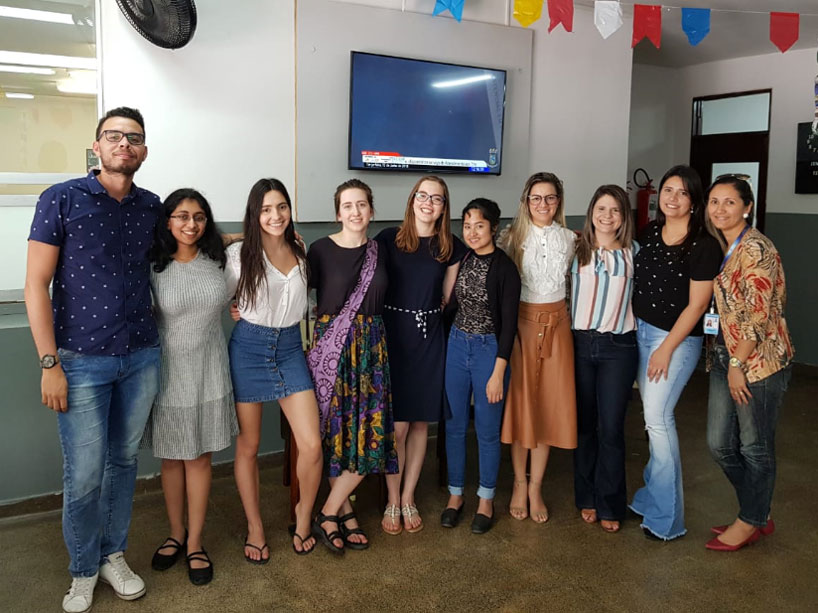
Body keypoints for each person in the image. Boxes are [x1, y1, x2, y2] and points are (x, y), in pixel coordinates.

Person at [25, 107, 160, 613]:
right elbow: (36, 284)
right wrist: (49, 363)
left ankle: (112, 555)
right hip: (80, 360)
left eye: (134, 138)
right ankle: (83, 569)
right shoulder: (61, 199)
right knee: (83, 474)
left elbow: (190, 243)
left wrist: (254, 240)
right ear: (97, 146)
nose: (124, 144)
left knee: (124, 462)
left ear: (143, 150)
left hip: (141, 355)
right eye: (114, 136)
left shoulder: (151, 206)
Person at [142, 189, 237, 585]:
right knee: (171, 459)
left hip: (210, 372)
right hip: (168, 375)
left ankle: (196, 541)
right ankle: (175, 533)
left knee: (199, 458)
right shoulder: (152, 266)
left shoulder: (220, 261)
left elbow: (252, 258)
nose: (191, 224)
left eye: (199, 217)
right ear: (167, 221)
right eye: (181, 216)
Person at [226, 178, 322, 560]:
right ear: (255, 213)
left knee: (312, 445)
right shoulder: (239, 255)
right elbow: (217, 296)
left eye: (281, 206)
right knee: (248, 447)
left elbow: (307, 302)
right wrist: (236, 309)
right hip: (248, 348)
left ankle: (303, 516)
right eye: (266, 209)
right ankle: (255, 527)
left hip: (289, 349)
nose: (275, 215)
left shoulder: (300, 250)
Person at [629, 165, 722, 541]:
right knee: (652, 418)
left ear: (694, 201)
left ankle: (668, 519)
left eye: (682, 193)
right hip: (641, 332)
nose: (672, 198)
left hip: (677, 341)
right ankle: (650, 497)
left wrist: (666, 348)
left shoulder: (704, 244)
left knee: (658, 419)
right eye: (668, 190)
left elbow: (698, 305)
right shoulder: (650, 232)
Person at [306, 179, 398, 553]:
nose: (355, 212)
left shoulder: (382, 250)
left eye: (362, 205)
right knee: (337, 432)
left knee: (371, 433)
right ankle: (343, 511)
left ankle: (328, 511)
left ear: (371, 210)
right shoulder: (319, 250)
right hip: (332, 349)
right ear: (337, 212)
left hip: (373, 350)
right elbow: (292, 291)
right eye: (348, 206)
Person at [703, 175, 794, 551]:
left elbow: (758, 317)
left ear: (747, 207)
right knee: (719, 444)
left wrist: (738, 364)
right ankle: (756, 510)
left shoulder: (755, 248)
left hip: (757, 363)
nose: (720, 209)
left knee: (755, 446)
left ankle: (751, 519)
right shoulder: (724, 246)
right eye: (713, 202)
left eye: (729, 202)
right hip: (727, 357)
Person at [376, 176, 467, 534]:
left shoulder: (451, 247)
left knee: (419, 425)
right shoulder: (388, 239)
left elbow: (446, 299)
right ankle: (391, 497)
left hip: (429, 339)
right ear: (412, 199)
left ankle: (408, 496)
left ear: (445, 207)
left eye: (437, 199)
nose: (428, 203)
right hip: (393, 337)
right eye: (423, 196)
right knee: (396, 427)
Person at [500, 171, 577, 524]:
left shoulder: (572, 240)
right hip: (522, 327)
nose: (542, 204)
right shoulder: (512, 238)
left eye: (549, 198)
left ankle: (536, 487)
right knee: (522, 406)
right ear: (526, 202)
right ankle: (518, 482)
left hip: (558, 327)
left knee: (547, 406)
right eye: (535, 198)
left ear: (558, 202)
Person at [440, 198, 520, 534]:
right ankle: (455, 496)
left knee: (487, 432)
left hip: (490, 351)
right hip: (457, 346)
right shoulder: (463, 258)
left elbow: (510, 324)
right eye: (467, 225)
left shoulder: (505, 268)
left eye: (480, 225)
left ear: (494, 228)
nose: (472, 232)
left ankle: (485, 498)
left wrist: (499, 370)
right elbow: (448, 304)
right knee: (455, 427)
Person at [570, 185, 638, 534]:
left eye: (615, 210)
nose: (607, 216)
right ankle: (587, 497)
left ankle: (610, 501)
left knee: (611, 428)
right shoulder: (575, 248)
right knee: (584, 426)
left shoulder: (634, 253)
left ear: (624, 216)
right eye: (601, 208)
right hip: (579, 346)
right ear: (591, 211)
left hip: (618, 348)